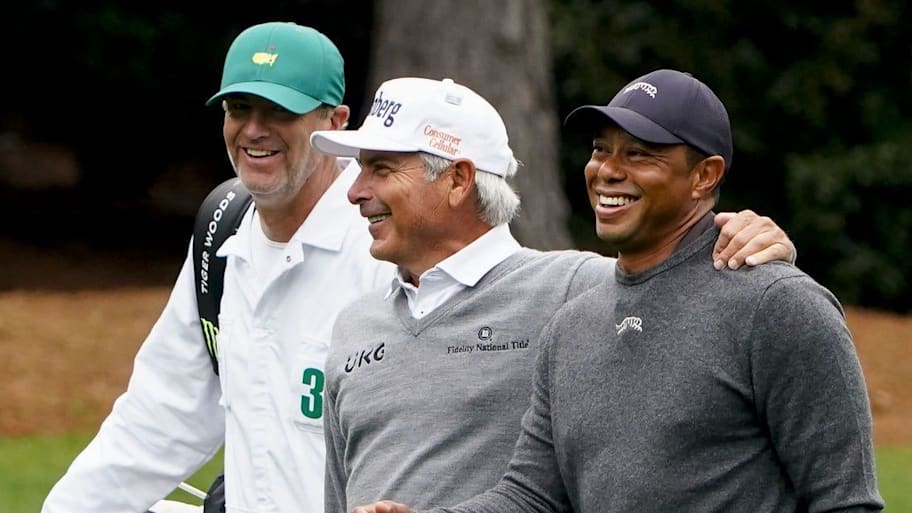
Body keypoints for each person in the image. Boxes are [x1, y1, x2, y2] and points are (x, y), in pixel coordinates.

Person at [350, 70, 885, 513]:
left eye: (639, 155)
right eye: (601, 149)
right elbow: (532, 495)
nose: (607, 171)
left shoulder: (777, 305)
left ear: (704, 175)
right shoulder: (574, 322)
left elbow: (845, 501)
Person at [41, 22, 394, 513]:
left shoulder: (387, 243)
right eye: (239, 108)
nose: (253, 130)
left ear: (335, 123)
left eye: (279, 110)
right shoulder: (221, 232)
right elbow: (160, 418)